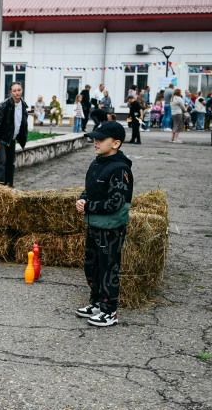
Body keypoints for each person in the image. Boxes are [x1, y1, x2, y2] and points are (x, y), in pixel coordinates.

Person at [75, 121, 133, 327]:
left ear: (116, 143)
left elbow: (115, 202)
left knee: (109, 267)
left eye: (101, 139)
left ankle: (110, 311)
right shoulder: (96, 163)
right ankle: (97, 302)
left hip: (111, 228)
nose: (95, 142)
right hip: (94, 223)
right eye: (94, 138)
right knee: (92, 265)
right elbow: (90, 190)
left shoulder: (120, 169)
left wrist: (89, 205)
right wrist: (82, 199)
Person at [0, 82, 28, 187]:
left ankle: (8, 185)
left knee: (10, 163)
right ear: (11, 92)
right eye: (14, 91)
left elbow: (22, 124)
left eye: (19, 90)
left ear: (22, 90)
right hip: (2, 139)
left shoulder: (23, 106)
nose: (17, 93)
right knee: (1, 162)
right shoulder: (4, 105)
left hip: (12, 139)